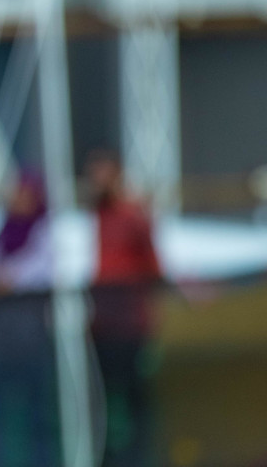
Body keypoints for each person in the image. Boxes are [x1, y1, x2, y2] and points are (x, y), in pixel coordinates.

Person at [85, 150, 163, 467]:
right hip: (100, 322)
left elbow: (153, 267)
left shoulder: (132, 216)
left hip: (128, 322)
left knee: (133, 400)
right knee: (100, 401)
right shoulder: (94, 216)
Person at [0, 171, 56, 467]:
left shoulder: (44, 233)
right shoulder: (1, 234)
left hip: (30, 336)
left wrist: (5, 280)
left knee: (36, 411)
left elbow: (31, 272)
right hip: (0, 338)